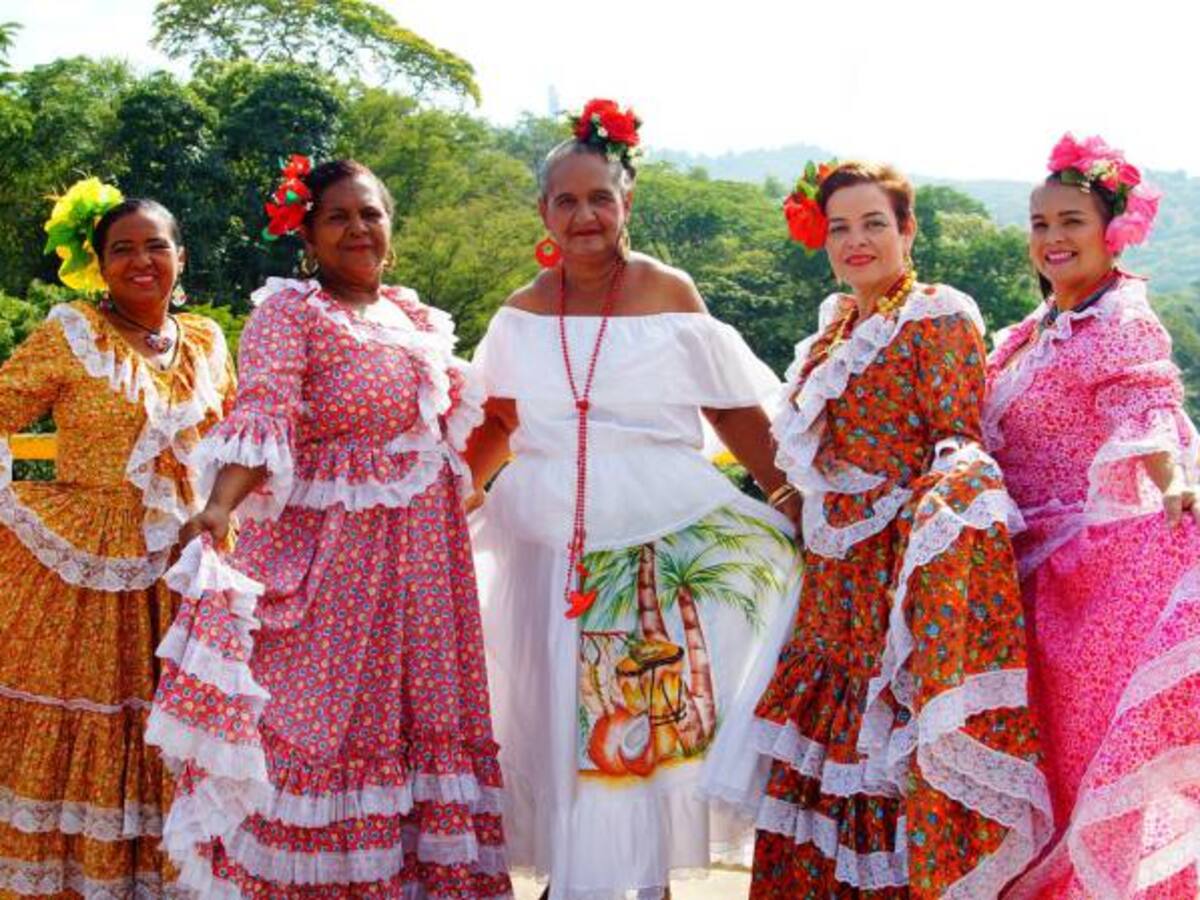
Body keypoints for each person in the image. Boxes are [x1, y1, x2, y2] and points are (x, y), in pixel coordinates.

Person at [465, 99, 802, 900]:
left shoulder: (669, 292)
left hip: (657, 533)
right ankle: (570, 878)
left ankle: (640, 878)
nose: (585, 215)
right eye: (566, 200)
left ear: (627, 203)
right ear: (544, 211)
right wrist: (452, 501)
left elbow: (731, 411)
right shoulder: (519, 311)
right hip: (548, 545)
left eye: (600, 198)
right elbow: (497, 421)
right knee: (556, 716)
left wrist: (795, 506)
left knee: (636, 716)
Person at [162, 157, 512, 897]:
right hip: (332, 567)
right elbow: (265, 413)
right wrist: (221, 505)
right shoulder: (290, 314)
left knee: (416, 727)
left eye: (370, 214)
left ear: (390, 225)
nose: (358, 229)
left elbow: (466, 429)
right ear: (309, 236)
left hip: (419, 566)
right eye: (338, 217)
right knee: (319, 731)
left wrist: (468, 491)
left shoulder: (415, 318)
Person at [703, 160, 1053, 898]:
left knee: (883, 745)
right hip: (833, 580)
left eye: (873, 224)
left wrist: (928, 551)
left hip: (897, 574)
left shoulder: (938, 314)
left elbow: (957, 440)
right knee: (826, 743)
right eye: (840, 228)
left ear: (906, 230)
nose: (856, 241)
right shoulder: (836, 329)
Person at [0, 180, 234, 896]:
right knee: (89, 716)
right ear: (100, 266)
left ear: (181, 258)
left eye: (154, 246)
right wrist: (30, 492)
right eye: (122, 250)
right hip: (86, 570)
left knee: (173, 723)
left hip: (184, 565)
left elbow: (234, 438)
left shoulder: (206, 339)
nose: (141, 261)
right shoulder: (70, 330)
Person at [986, 134, 1200, 898]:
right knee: (1038, 772)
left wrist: (1173, 481)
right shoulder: (1031, 329)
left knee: (1080, 769)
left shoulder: (1121, 320)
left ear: (1113, 231)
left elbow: (1147, 409)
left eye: (1070, 221)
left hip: (1084, 592)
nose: (1052, 238)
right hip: (1021, 581)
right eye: (1039, 223)